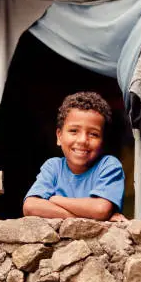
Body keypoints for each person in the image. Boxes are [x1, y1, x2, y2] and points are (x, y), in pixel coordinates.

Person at [23, 92, 126, 221]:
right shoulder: (53, 167)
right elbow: (30, 206)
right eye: (73, 131)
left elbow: (100, 209)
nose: (83, 140)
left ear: (103, 141)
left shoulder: (109, 165)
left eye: (93, 134)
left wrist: (55, 199)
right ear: (59, 136)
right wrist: (87, 219)